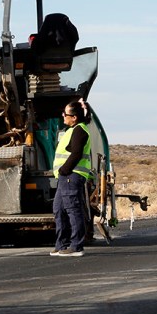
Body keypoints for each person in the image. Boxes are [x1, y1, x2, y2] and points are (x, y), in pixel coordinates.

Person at [51, 99, 94, 257]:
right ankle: (62, 244)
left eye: (65, 114)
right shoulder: (72, 130)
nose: (63, 116)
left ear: (74, 117)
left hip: (71, 176)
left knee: (73, 210)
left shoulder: (80, 130)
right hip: (65, 177)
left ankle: (76, 246)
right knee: (59, 209)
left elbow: (76, 153)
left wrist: (64, 170)